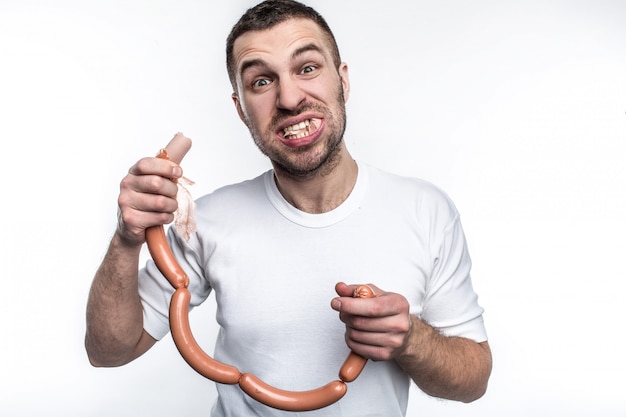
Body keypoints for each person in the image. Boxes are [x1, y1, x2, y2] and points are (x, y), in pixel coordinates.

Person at [85, 1, 492, 415]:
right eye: (262, 81)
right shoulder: (205, 222)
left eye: (308, 68)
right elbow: (109, 351)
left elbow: (473, 380)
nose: (290, 98)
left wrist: (411, 340)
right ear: (241, 109)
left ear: (343, 81)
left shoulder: (426, 210)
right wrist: (126, 238)